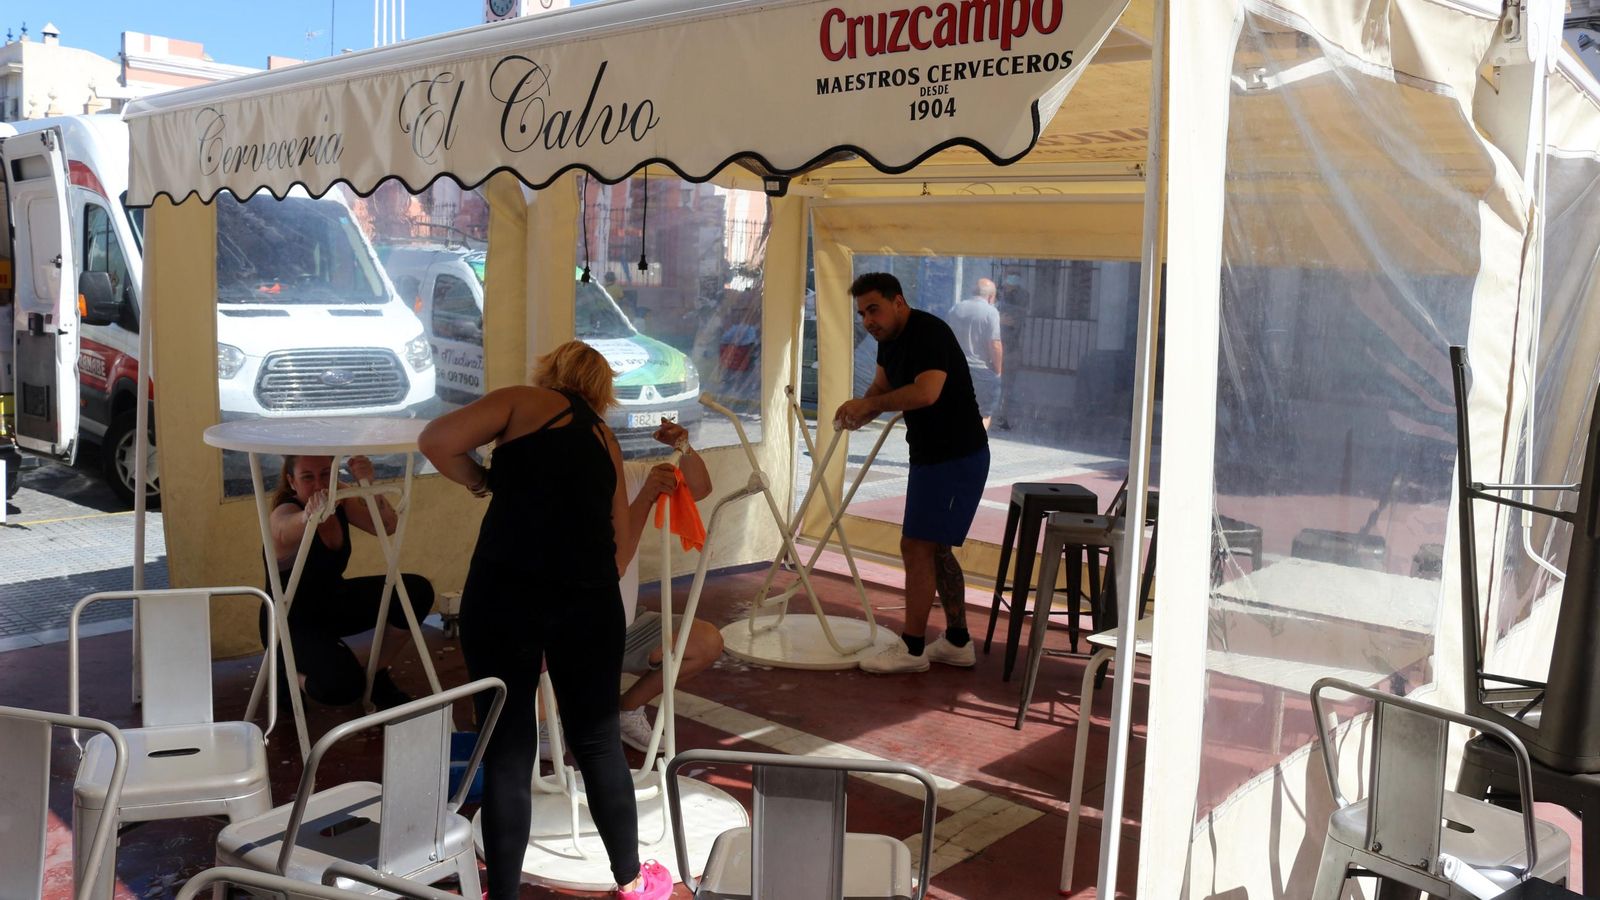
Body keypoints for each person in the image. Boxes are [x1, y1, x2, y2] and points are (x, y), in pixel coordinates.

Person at [419, 340, 671, 900]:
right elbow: (619, 554)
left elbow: (436, 441)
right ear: (602, 390)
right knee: (600, 741)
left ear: (550, 372)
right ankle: (631, 879)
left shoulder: (521, 402)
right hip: (587, 599)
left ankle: (500, 894)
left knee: (509, 749)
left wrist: (483, 480)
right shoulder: (605, 440)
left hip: (505, 592)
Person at [834, 273, 990, 674]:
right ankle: (956, 641)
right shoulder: (888, 340)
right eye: (862, 313)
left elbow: (926, 393)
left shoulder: (929, 332)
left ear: (898, 301)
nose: (868, 320)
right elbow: (880, 387)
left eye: (874, 309)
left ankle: (913, 648)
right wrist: (858, 409)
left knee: (917, 546)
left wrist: (872, 406)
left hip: (957, 455)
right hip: (929, 455)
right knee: (934, 548)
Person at [263, 454, 434, 710]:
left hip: (333, 603)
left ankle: (376, 673)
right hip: (290, 621)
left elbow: (387, 525)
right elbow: (282, 529)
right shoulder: (286, 510)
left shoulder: (338, 498)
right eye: (307, 477)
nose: (319, 484)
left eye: (326, 474)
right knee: (344, 686)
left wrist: (368, 485)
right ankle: (286, 673)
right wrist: (308, 517)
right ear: (292, 481)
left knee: (415, 591)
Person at [613, 420, 721, 750]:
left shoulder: (630, 477)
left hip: (624, 626)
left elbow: (699, 488)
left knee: (704, 641)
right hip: (570, 634)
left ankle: (626, 709)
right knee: (550, 742)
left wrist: (683, 447)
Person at [947, 277, 1003, 429]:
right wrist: (998, 371)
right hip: (981, 372)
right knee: (983, 414)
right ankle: (974, 448)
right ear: (991, 297)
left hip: (956, 370)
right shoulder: (991, 312)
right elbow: (995, 344)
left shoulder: (956, 309)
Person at [993, 269, 1030, 430]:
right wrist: (998, 318)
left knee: (1007, 385)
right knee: (990, 382)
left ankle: (1003, 417)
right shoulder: (997, 292)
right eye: (1010, 276)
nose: (1012, 279)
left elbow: (1015, 320)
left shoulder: (1022, 296)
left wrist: (997, 316)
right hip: (993, 346)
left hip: (1010, 347)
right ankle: (989, 415)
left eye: (1016, 277)